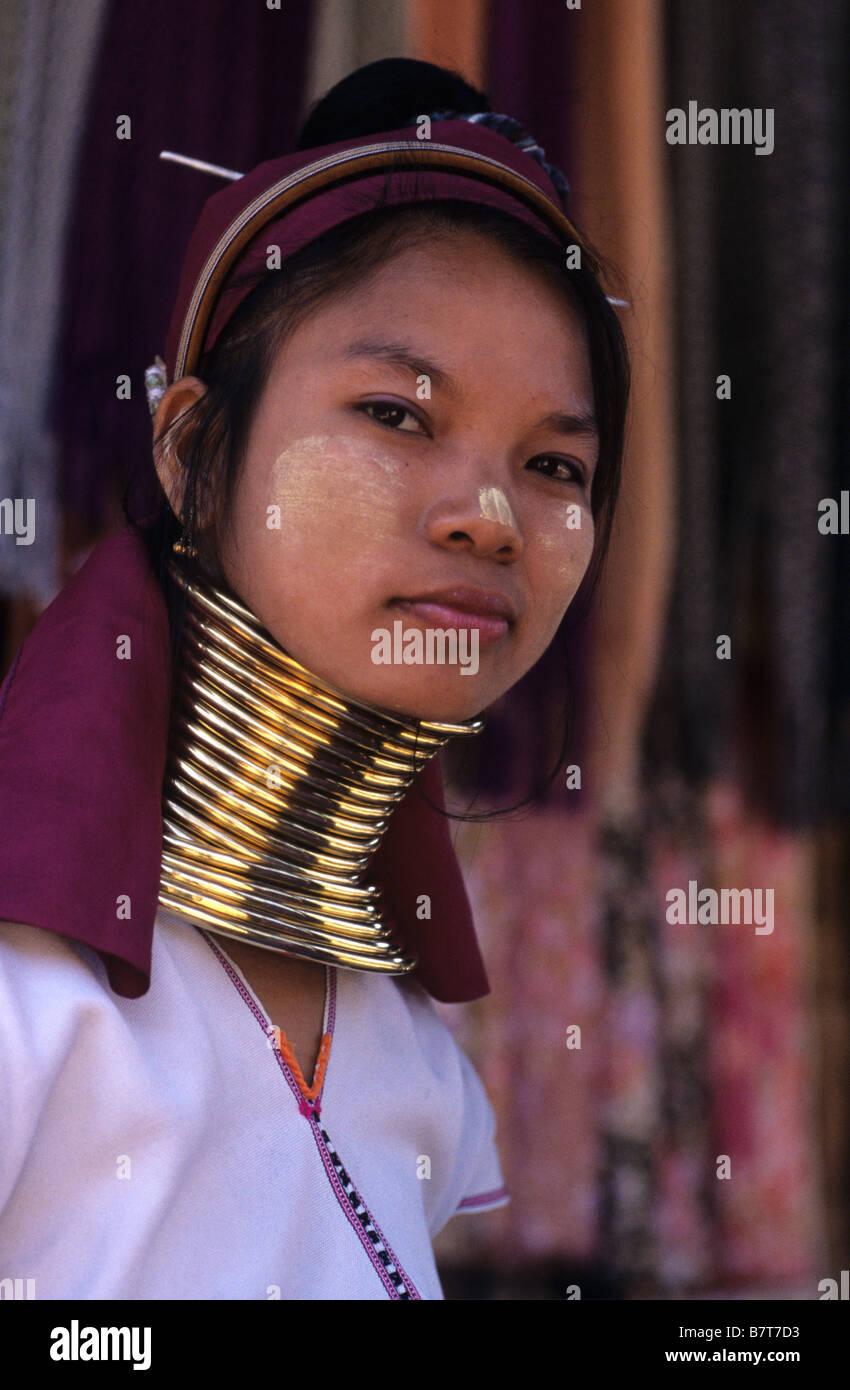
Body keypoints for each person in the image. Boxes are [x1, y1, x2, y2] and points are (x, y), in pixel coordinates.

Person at [0, 58, 629, 1300]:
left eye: (556, 466)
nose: (492, 517)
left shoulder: (410, 1051)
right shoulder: (26, 987)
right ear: (190, 451)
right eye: (398, 415)